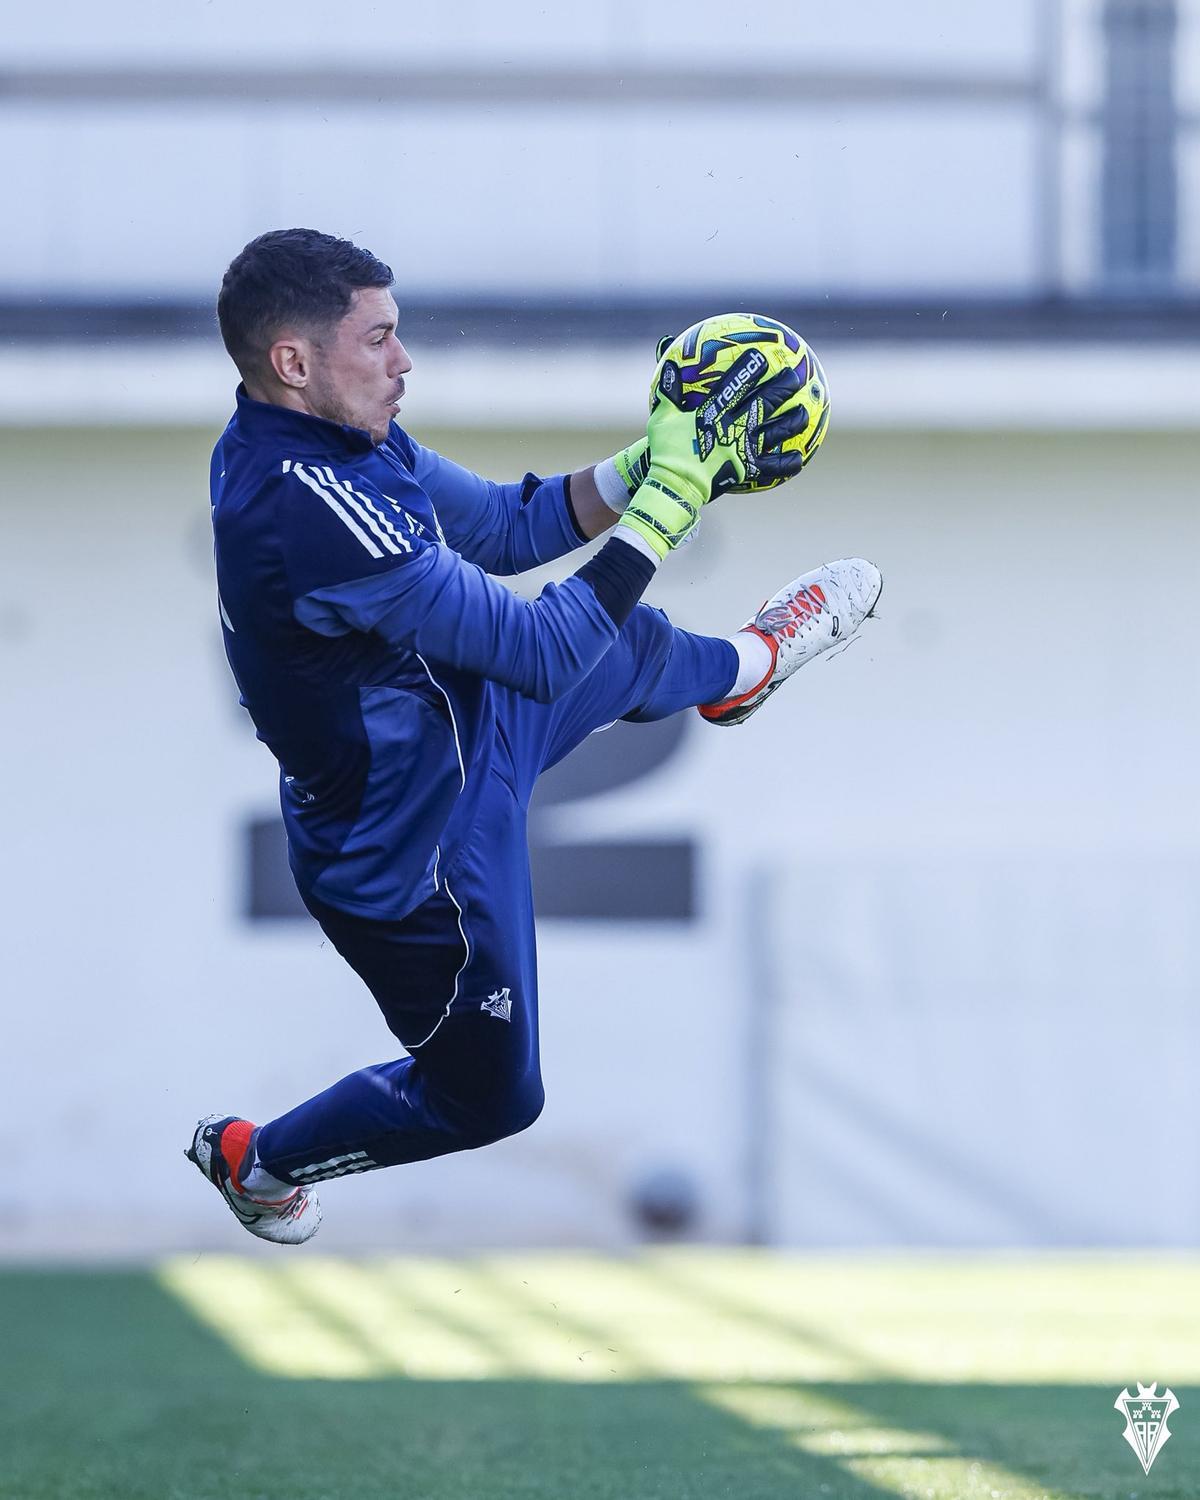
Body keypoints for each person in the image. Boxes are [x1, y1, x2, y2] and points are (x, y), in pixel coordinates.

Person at [187, 227, 881, 1243]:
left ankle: (747, 668)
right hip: (408, 857)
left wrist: (653, 457)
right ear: (295, 362)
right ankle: (259, 1162)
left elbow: (512, 528)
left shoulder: (335, 437)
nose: (403, 360)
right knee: (494, 1099)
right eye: (378, 339)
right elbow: (543, 652)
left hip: (454, 731)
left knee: (628, 640)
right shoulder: (306, 509)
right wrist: (676, 498)